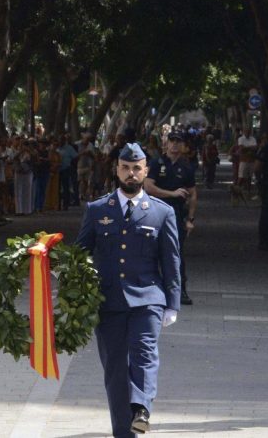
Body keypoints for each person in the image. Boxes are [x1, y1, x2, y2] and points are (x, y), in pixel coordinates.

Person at [76, 143, 181, 437]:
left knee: (144, 355)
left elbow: (171, 260)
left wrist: (172, 303)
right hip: (108, 301)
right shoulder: (97, 210)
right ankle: (124, 431)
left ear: (146, 171)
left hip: (148, 299)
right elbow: (80, 251)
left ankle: (142, 409)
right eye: (126, 168)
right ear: (116, 170)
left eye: (137, 168)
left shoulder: (162, 212)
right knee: (115, 369)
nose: (131, 174)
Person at [144, 132, 197, 305]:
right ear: (166, 144)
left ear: (183, 146)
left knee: (176, 253)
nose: (174, 145)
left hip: (176, 214)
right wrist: (171, 193)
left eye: (178, 142)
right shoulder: (157, 163)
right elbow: (148, 186)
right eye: (172, 141)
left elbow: (193, 194)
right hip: (155, 213)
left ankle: (180, 291)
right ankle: (150, 289)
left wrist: (190, 219)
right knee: (151, 251)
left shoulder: (186, 167)